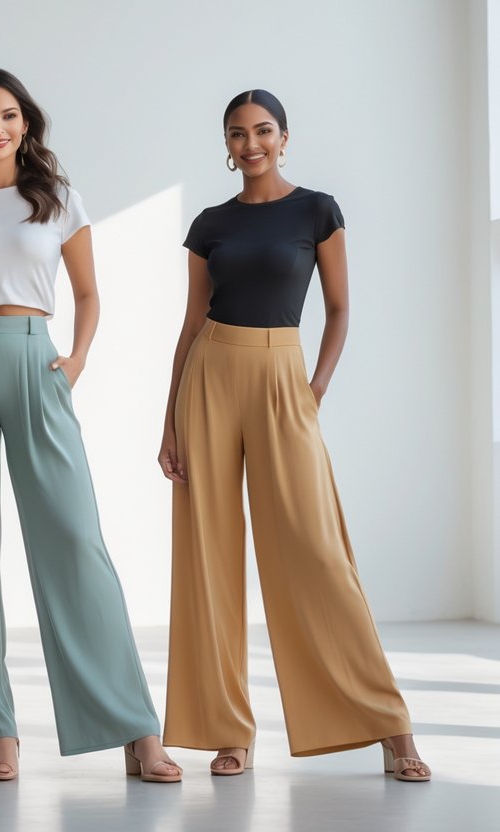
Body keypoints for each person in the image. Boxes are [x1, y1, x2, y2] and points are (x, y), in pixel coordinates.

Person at [158, 88, 430, 781]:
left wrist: (313, 390)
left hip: (283, 375)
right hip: (210, 377)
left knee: (315, 550)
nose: (250, 144)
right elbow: (190, 325)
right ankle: (228, 731)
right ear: (225, 144)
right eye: (237, 133)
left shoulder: (316, 210)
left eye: (262, 130)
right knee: (209, 556)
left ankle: (388, 726)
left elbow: (338, 310)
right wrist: (168, 422)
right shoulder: (209, 223)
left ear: (283, 137)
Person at [0, 68, 179, 783]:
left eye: (7, 115)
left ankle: (133, 727)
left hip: (36, 361)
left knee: (73, 540)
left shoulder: (57, 198)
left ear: (24, 124)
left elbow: (88, 294)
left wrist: (77, 361)